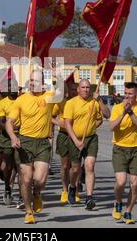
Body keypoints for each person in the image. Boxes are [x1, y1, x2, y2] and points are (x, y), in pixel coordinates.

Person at [6, 70, 57, 224]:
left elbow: (64, 90)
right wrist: (13, 137)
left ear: (43, 84)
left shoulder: (49, 97)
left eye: (38, 81)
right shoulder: (21, 100)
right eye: (32, 80)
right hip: (25, 142)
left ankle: (37, 194)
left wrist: (57, 77)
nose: (34, 83)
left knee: (40, 179)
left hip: (42, 143)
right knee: (26, 179)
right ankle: (28, 211)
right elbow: (9, 122)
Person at [63, 79, 110, 209]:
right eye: (83, 87)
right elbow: (67, 124)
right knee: (75, 169)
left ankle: (89, 198)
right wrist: (77, 141)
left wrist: (99, 100)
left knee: (90, 166)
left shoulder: (94, 102)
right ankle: (72, 187)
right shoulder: (71, 103)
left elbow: (106, 115)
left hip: (91, 139)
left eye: (88, 87)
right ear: (78, 89)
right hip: (74, 139)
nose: (85, 90)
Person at [109, 82, 137, 225]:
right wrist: (123, 113)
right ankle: (118, 202)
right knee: (120, 182)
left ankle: (128, 211)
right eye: (125, 93)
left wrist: (131, 112)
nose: (127, 96)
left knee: (134, 184)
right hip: (120, 148)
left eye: (130, 94)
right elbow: (112, 127)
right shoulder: (117, 108)